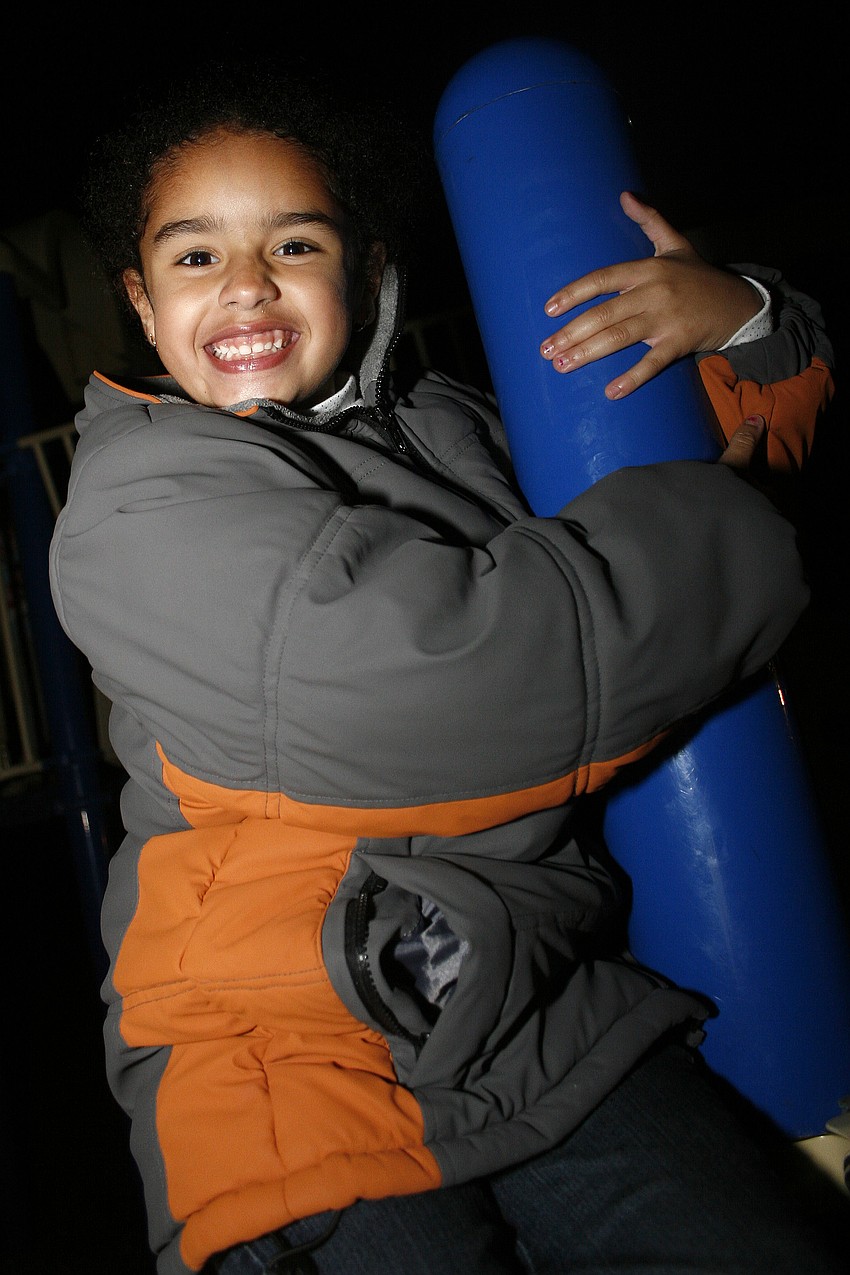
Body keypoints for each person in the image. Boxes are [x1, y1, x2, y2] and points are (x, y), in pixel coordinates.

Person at [48, 60, 845, 1275]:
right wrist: (720, 537)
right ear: (144, 306)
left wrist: (736, 315)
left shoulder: (451, 427)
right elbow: (455, 687)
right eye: (195, 256)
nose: (248, 285)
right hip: (283, 1047)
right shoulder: (140, 496)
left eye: (295, 245)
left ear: (364, 276)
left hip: (539, 1009)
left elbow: (725, 465)